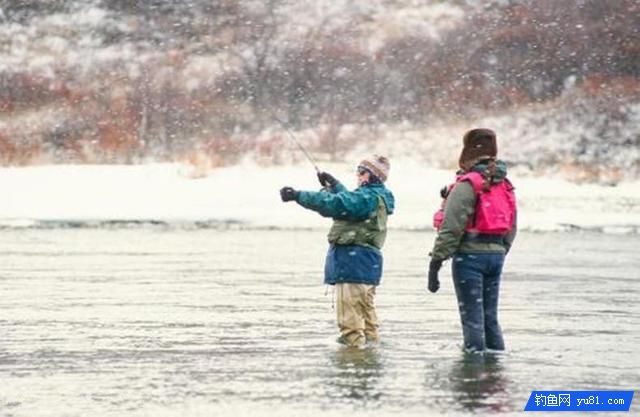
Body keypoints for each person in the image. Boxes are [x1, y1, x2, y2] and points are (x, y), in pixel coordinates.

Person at [280, 155, 395, 348]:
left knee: (350, 326)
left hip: (353, 266)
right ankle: (370, 362)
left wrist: (298, 196)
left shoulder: (365, 198)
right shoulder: (377, 196)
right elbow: (349, 201)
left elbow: (336, 204)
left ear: (371, 176)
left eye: (361, 171)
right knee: (368, 323)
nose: (358, 175)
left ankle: (353, 364)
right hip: (366, 267)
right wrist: (334, 185)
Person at [427, 128, 517, 352]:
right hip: (496, 255)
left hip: (469, 257)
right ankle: (495, 369)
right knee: (490, 319)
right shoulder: (504, 183)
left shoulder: (468, 184)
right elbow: (512, 225)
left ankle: (472, 375)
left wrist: (436, 262)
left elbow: (451, 228)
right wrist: (500, 250)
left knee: (472, 320)